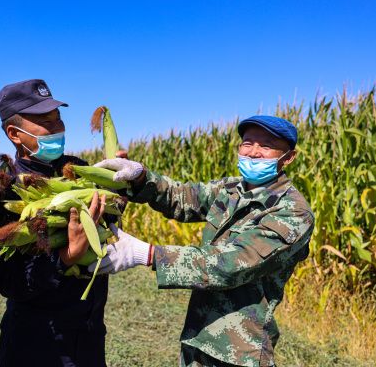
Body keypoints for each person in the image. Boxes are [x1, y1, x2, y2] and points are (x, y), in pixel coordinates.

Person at [91, 116, 315, 367]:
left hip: (240, 351)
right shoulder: (230, 189)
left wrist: (149, 254)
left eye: (266, 145)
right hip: (198, 335)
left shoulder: (293, 212)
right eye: (247, 143)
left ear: (288, 157)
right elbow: (180, 197)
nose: (253, 152)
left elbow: (232, 263)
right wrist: (141, 177)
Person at [0, 79, 109, 367]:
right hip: (38, 342)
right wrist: (65, 258)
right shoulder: (4, 191)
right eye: (46, 122)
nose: (58, 128)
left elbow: (109, 220)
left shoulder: (79, 170)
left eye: (58, 119)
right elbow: (10, 282)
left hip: (89, 333)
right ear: (14, 134)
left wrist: (117, 183)